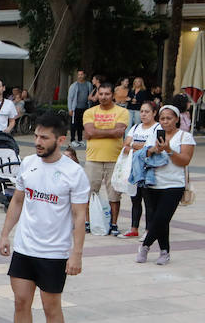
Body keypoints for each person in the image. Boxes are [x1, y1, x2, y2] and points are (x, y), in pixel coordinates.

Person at [0, 112, 89, 323]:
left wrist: (77, 253)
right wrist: (5, 234)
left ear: (60, 140)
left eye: (43, 137)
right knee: (21, 302)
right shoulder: (27, 164)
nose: (37, 141)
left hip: (55, 253)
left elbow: (79, 216)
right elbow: (17, 202)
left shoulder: (74, 173)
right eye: (36, 136)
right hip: (25, 248)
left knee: (51, 308)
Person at [135, 104, 195, 265]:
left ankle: (145, 246)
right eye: (162, 118)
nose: (165, 122)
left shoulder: (185, 136)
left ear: (176, 119)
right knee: (158, 219)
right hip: (153, 182)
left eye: (169, 118)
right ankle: (164, 252)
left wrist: (168, 149)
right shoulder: (154, 134)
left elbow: (185, 160)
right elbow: (143, 154)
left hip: (174, 184)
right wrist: (154, 149)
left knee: (162, 217)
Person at [82, 82, 129, 236]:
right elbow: (89, 131)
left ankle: (114, 224)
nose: (103, 97)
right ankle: (88, 222)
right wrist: (111, 130)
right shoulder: (89, 112)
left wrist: (95, 132)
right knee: (89, 192)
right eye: (100, 94)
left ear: (113, 95)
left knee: (114, 194)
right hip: (93, 158)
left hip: (114, 159)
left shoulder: (122, 112)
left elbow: (119, 133)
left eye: (107, 94)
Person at [120, 100, 161, 237]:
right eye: (142, 111)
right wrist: (140, 145)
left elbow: (153, 147)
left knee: (148, 201)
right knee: (135, 199)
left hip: (148, 169)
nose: (143, 114)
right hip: (134, 168)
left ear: (154, 113)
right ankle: (134, 228)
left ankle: (149, 230)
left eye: (147, 111)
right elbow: (126, 145)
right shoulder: (136, 127)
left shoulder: (157, 128)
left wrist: (135, 145)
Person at [66, 70, 91, 146]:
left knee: (81, 124)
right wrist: (70, 109)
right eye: (79, 74)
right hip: (75, 108)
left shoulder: (88, 85)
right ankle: (73, 139)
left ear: (84, 75)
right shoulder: (74, 85)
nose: (80, 76)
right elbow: (70, 98)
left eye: (81, 74)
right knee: (74, 124)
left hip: (85, 108)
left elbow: (89, 95)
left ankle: (80, 139)